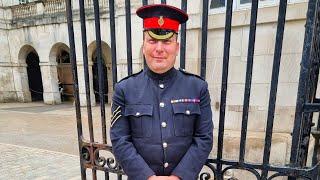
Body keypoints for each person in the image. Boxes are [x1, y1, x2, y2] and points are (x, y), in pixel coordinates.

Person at [110, 4, 213, 180]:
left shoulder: (197, 87)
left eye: (166, 41)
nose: (159, 48)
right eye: (152, 41)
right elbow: (120, 140)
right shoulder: (124, 89)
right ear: (143, 45)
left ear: (177, 47)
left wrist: (178, 177)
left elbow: (204, 138)